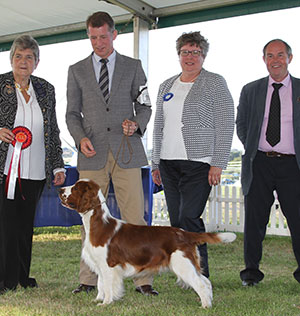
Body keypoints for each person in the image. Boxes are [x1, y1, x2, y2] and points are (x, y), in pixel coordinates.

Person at [66, 11, 156, 295]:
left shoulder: (133, 66)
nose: (98, 43)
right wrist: (80, 138)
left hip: (127, 151)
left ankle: (144, 281)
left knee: (135, 218)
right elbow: (71, 114)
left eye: (103, 36)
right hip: (91, 153)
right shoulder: (76, 70)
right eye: (93, 37)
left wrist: (137, 123)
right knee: (87, 219)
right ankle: (88, 280)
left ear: (114, 34)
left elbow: (145, 106)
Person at [151, 31, 234, 278]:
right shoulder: (166, 85)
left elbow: (226, 123)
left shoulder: (215, 82)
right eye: (185, 52)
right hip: (168, 162)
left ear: (203, 55)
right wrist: (155, 162)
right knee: (177, 221)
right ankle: (185, 270)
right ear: (178, 55)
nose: (190, 57)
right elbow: (158, 125)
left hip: (200, 162)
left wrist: (218, 162)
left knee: (190, 216)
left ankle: (201, 272)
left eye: (195, 52)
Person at [0, 35, 65, 294]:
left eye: (29, 57)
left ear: (37, 62)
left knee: (26, 225)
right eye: (18, 56)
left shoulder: (46, 89)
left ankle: (21, 276)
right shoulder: (0, 84)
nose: (23, 61)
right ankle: (4, 279)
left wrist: (58, 165)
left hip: (36, 169)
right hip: (5, 169)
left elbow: (53, 129)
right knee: (5, 224)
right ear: (11, 59)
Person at [236, 39, 300, 286]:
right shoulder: (250, 90)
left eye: (280, 55)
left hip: (292, 166)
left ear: (290, 58)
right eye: (270, 56)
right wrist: (251, 146)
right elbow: (241, 123)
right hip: (259, 163)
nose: (275, 60)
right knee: (254, 222)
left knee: (298, 221)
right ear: (264, 60)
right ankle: (251, 273)